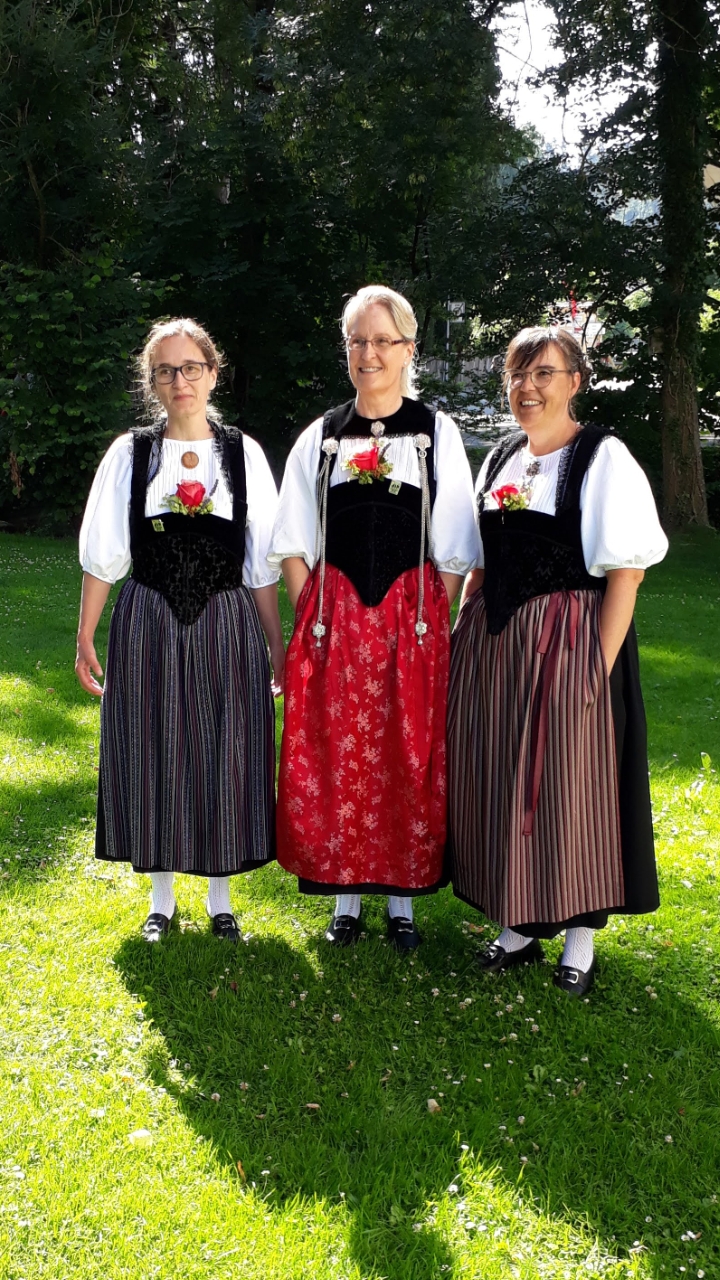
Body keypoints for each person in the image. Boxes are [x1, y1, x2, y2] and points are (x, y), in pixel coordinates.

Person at [447, 326, 668, 995]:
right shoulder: (501, 458)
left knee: (570, 788)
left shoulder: (603, 457)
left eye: (543, 373)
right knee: (503, 782)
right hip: (497, 647)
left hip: (570, 645)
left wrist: (594, 672)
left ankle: (580, 942)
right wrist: (462, 635)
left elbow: (627, 573)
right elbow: (480, 563)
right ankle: (517, 929)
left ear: (574, 382)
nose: (527, 387)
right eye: (517, 374)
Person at [269, 285, 478, 949]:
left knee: (405, 752)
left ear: (409, 348)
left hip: (410, 620)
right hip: (336, 619)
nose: (369, 353)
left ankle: (402, 904)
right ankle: (346, 901)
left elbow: (455, 540)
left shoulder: (435, 433)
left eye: (383, 340)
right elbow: (292, 539)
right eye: (357, 340)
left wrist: (431, 614)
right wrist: (313, 610)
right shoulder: (322, 436)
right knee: (338, 752)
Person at [76, 318, 284, 942]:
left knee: (226, 747)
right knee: (153, 748)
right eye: (165, 370)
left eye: (191, 367)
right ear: (152, 382)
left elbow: (261, 564)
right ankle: (160, 901)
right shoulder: (130, 454)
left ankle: (221, 900)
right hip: (148, 619)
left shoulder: (243, 455)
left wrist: (276, 645)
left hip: (226, 619)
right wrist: (85, 635)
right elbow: (105, 553)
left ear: (213, 374)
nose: (180, 380)